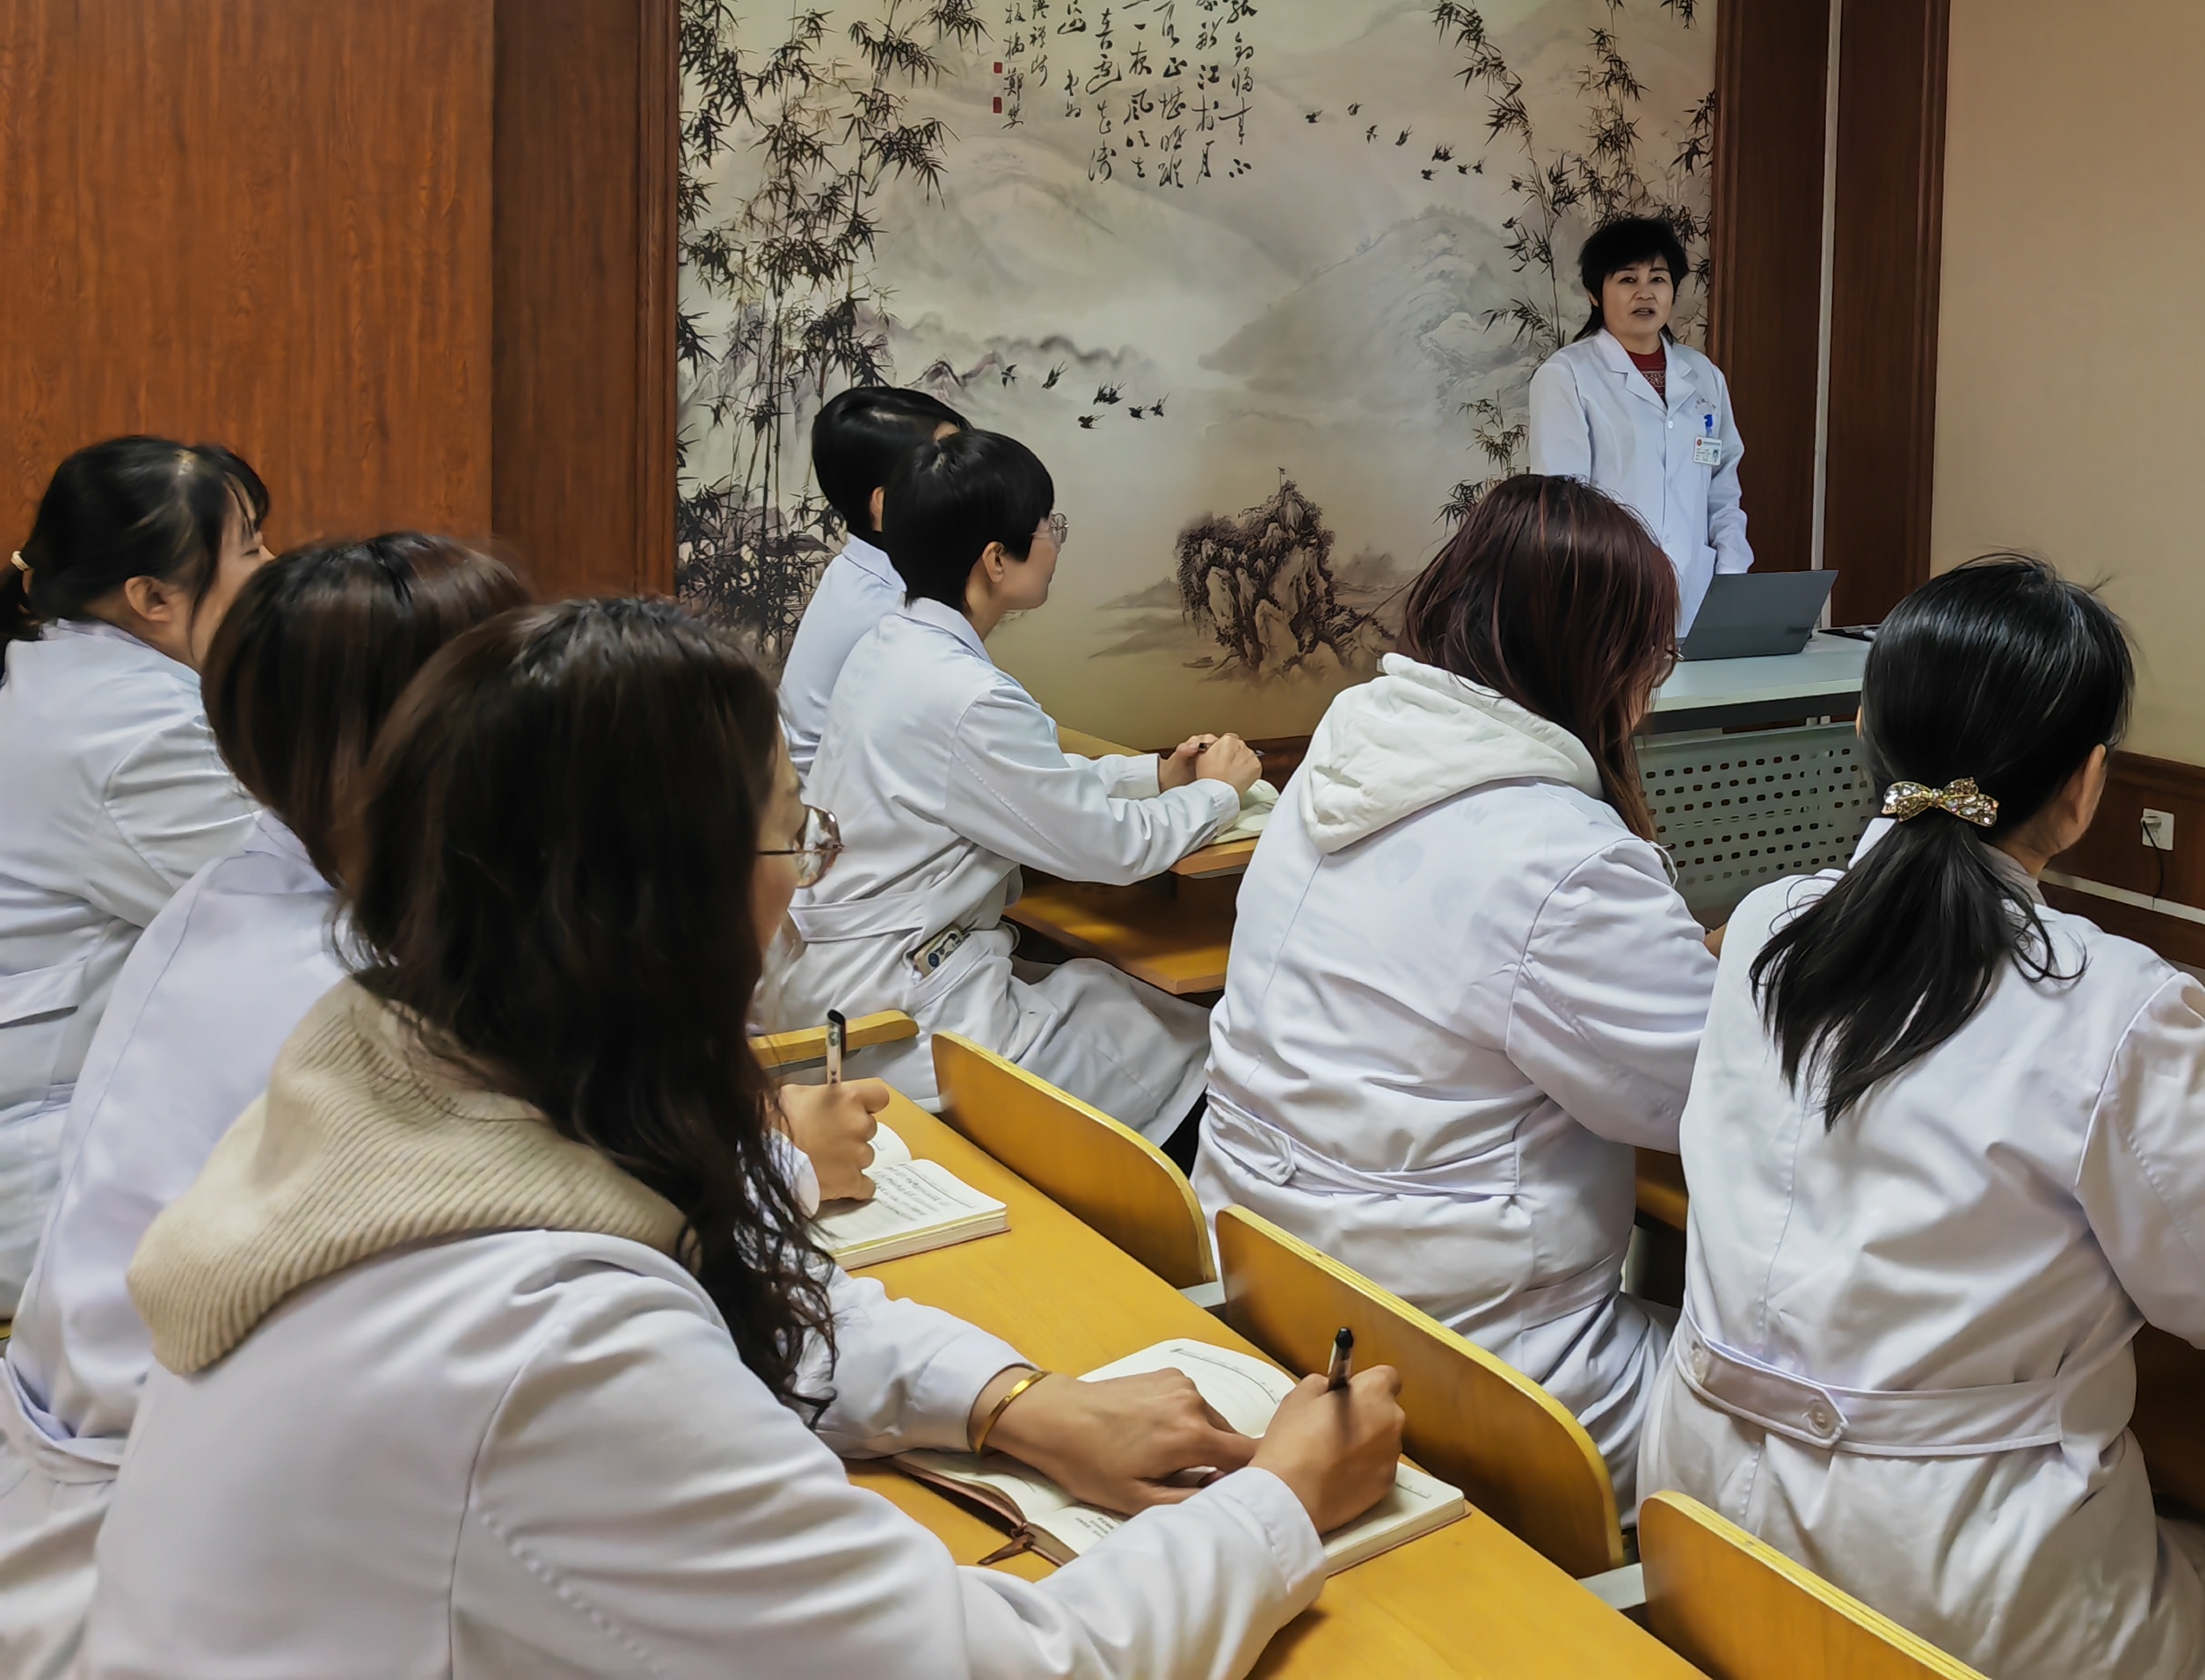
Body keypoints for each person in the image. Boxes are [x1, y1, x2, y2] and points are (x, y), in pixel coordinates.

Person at [87, 597, 1405, 1679]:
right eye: (794, 839)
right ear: (672, 908)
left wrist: (1010, 1401)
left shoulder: (406, 1079)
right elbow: (993, 1665)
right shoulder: (546, 1339)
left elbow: (731, 1291)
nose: (805, 898)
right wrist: (1280, 1502)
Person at [1643, 557, 2205, 1680]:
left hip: (1702, 1515)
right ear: (2085, 787)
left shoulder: (1765, 929)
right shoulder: (2110, 1003)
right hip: (1945, 1581)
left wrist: (2190, 1113)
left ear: (1863, 731)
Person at [0, 535, 529, 1674]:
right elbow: (562, 1241)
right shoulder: (344, 991)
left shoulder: (250, 890)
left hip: (113, 1493)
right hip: (180, 1564)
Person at [1196, 473, 1713, 1510]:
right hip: (1467, 1362)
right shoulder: (1559, 855)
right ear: (1602, 659)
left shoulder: (1350, 749)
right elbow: (1705, 1093)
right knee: (1809, 1434)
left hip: (1275, 1283)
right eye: (1653, 657)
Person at [776, 431, 1259, 1149]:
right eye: (1047, 525)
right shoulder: (967, 695)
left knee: (1116, 999)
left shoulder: (891, 646)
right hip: (899, 1005)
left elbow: (1015, 784)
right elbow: (1109, 848)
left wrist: (1155, 776)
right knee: (1192, 1048)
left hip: (852, 975)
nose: (1055, 540)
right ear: (996, 560)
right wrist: (1217, 796)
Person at [0, 440, 271, 1293]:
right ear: (152, 598)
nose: (273, 567)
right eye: (250, 548)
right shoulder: (136, 731)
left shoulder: (60, 668)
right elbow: (281, 913)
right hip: (53, 1182)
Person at [1525, 213, 1751, 634]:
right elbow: (1563, 502)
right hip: (1607, 590)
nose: (1645, 293)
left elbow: (1722, 490)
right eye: (1628, 279)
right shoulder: (1566, 375)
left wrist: (1732, 572)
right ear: (1595, 294)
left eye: (1658, 279)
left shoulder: (1704, 376)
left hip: (1695, 593)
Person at [781, 386, 964, 773]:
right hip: (832, 797)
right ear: (885, 505)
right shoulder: (893, 611)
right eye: (948, 467)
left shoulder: (858, 570)